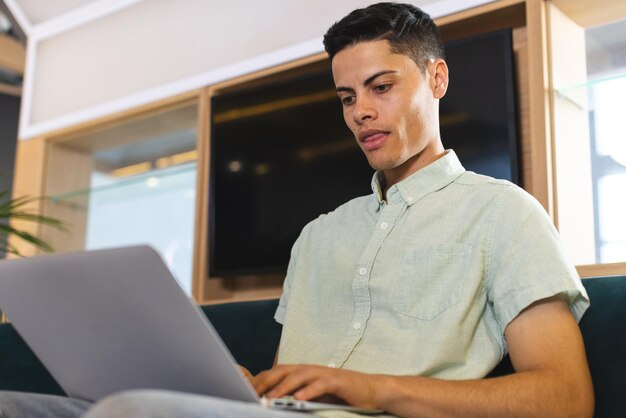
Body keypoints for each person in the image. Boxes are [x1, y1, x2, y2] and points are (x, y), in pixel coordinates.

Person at [0, 3, 594, 418]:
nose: (360, 111)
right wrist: (243, 386)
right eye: (346, 96)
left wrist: (372, 389)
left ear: (436, 78)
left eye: (381, 87)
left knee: (134, 412)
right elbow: (292, 386)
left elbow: (565, 399)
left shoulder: (505, 214)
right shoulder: (317, 237)